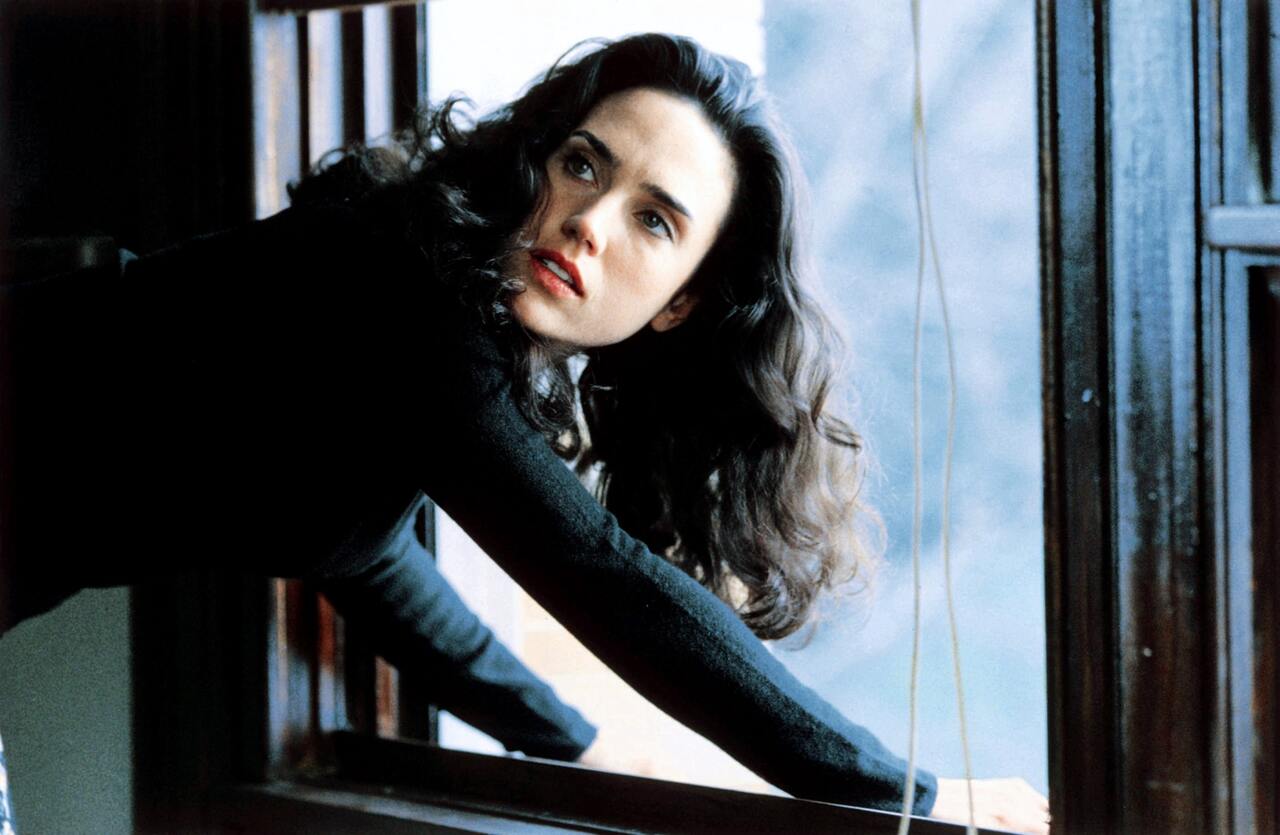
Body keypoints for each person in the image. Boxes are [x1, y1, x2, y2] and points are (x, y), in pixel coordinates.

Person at [0, 33, 1048, 833]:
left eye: (653, 219)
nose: (589, 219)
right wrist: (905, 793)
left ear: (683, 302)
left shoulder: (431, 346)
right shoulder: (402, 294)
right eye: (584, 164)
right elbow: (607, 579)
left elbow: (374, 563)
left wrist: (561, 738)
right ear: (533, 157)